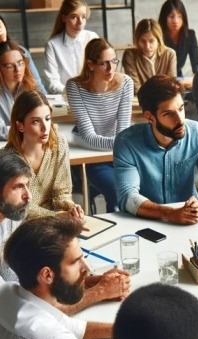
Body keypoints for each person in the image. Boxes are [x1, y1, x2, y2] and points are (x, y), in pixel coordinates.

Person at [0, 153, 130, 314]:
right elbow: (22, 309)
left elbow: (36, 286)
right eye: (18, 187)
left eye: (27, 185)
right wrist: (100, 291)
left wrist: (95, 282)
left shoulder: (11, 214)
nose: (29, 196)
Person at [115, 75, 198, 225]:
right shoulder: (127, 142)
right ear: (149, 117)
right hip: (145, 222)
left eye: (181, 108)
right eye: (168, 114)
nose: (180, 119)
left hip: (190, 220)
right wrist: (171, 213)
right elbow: (128, 196)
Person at [66, 38, 133, 213]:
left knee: (131, 193)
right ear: (90, 64)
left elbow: (123, 132)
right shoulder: (75, 87)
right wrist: (119, 143)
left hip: (121, 155)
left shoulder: (126, 83)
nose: (111, 69)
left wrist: (121, 144)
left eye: (113, 61)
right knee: (117, 193)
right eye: (104, 63)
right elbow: (88, 136)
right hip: (93, 157)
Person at [2, 89, 84, 219]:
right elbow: (19, 207)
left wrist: (71, 208)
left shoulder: (59, 143)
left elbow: (62, 191)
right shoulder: (7, 158)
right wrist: (56, 216)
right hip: (21, 227)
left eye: (47, 119)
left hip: (55, 223)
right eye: (36, 121)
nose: (45, 128)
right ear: (20, 126)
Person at [43, 0, 99, 95]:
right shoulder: (52, 45)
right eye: (74, 17)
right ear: (64, 18)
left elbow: (100, 70)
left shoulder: (92, 38)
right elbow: (53, 83)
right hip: (66, 97)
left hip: (92, 95)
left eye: (83, 17)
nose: (80, 22)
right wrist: (75, 93)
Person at [122, 19, 176, 95]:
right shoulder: (130, 55)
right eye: (143, 41)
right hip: (140, 102)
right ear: (137, 40)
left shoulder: (170, 54)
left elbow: (170, 86)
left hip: (165, 101)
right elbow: (135, 88)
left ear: (159, 40)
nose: (147, 47)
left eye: (151, 41)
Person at [0, 40, 38, 140]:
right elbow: (1, 131)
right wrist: (31, 130)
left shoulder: (28, 87)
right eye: (10, 66)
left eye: (20, 63)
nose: (18, 69)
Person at [158, 0, 198, 82]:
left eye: (179, 16)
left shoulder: (190, 35)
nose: (175, 21)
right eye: (171, 16)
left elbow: (197, 64)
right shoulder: (158, 36)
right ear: (164, 18)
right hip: (160, 79)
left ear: (184, 18)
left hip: (179, 78)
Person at [0, 15, 46, 95]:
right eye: (9, 66)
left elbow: (36, 83)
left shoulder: (22, 51)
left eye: (0, 27)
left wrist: (46, 101)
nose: (0, 32)